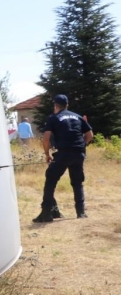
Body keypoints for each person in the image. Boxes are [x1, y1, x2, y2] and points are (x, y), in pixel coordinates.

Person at [33, 95, 93, 223]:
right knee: (77, 182)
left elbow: (46, 138)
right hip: (78, 153)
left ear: (56, 105)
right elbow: (89, 135)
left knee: (51, 180)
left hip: (63, 153)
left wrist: (47, 154)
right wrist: (82, 145)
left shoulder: (53, 118)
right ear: (67, 105)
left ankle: (46, 213)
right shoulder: (77, 117)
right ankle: (81, 212)